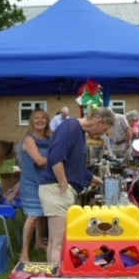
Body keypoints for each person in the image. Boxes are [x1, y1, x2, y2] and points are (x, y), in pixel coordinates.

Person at [39, 107, 115, 263]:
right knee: (59, 243)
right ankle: (57, 276)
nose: (102, 134)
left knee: (55, 241)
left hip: (56, 189)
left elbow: (76, 167)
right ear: (99, 121)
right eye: (104, 129)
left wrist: (98, 180)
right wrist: (64, 185)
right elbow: (55, 157)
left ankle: (53, 274)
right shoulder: (70, 127)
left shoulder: (78, 131)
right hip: (56, 189)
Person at [17, 109, 52, 261]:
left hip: (45, 181)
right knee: (33, 216)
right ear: (31, 121)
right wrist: (59, 161)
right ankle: (24, 252)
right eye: (36, 118)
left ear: (47, 121)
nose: (40, 120)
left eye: (43, 117)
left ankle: (38, 243)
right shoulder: (29, 139)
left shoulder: (50, 138)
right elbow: (39, 161)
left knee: (42, 214)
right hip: (31, 182)